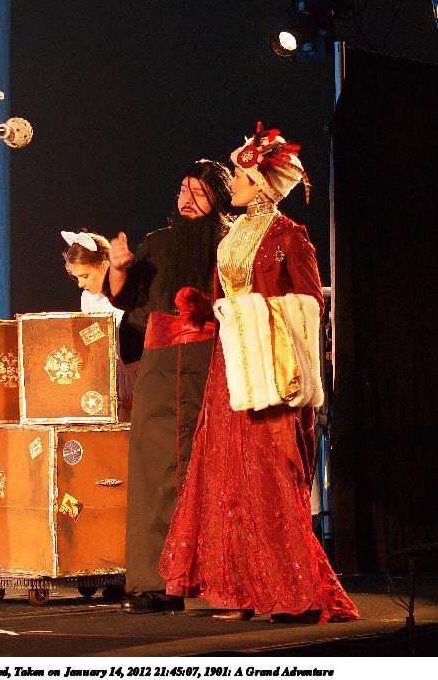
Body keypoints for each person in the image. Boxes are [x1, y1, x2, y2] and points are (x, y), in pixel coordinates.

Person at [158, 123, 360, 623]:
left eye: (243, 177)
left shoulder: (290, 236)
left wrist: (245, 313)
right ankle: (240, 591)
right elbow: (226, 299)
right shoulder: (234, 235)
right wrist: (206, 310)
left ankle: (293, 594)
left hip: (269, 372)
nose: (234, 183)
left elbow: (310, 305)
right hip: (229, 368)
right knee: (227, 477)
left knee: (268, 478)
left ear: (264, 185)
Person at [107, 159, 233, 613]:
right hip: (160, 367)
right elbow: (126, 296)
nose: (187, 198)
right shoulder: (157, 243)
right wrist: (118, 267)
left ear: (218, 198)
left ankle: (201, 578)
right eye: (183, 188)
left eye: (199, 191)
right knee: (152, 468)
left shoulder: (228, 243)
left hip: (209, 360)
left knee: (204, 466)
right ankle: (151, 579)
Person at [61, 230, 137, 420]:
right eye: (77, 277)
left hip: (138, 372)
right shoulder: (87, 298)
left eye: (85, 276)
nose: (80, 284)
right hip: (108, 377)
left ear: (104, 266)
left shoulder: (130, 291)